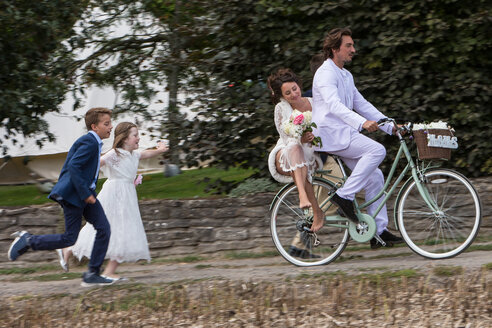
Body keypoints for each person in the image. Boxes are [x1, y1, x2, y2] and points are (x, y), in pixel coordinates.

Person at [312, 27, 403, 248]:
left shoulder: (345, 74)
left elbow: (362, 104)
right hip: (331, 134)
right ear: (335, 49)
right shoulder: (325, 73)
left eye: (353, 45)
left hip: (343, 133)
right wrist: (361, 123)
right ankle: (343, 196)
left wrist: (390, 126)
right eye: (348, 46)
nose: (354, 49)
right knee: (377, 151)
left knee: (375, 177)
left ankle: (377, 233)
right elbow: (334, 105)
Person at [8, 107, 115, 286]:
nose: (111, 127)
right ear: (95, 126)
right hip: (75, 195)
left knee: (104, 229)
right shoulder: (89, 142)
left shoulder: (94, 142)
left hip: (86, 194)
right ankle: (28, 240)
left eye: (110, 123)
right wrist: (85, 193)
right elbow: (74, 167)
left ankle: (92, 275)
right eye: (107, 124)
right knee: (69, 238)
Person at [58, 122, 168, 280]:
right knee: (99, 228)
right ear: (124, 139)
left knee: (125, 231)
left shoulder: (135, 155)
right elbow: (96, 164)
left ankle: (109, 271)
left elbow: (147, 154)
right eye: (135, 135)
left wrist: (160, 150)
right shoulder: (113, 155)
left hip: (127, 196)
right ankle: (69, 248)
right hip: (113, 195)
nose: (138, 138)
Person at [267, 68, 324, 239]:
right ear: (282, 96)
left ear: (299, 86)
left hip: (311, 153)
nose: (293, 94)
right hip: (285, 152)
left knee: (301, 157)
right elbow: (285, 136)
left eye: (295, 89)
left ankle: (313, 207)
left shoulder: (315, 103)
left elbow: (325, 128)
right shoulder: (281, 108)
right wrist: (300, 138)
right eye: (287, 92)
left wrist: (313, 136)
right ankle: (303, 196)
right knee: (294, 147)